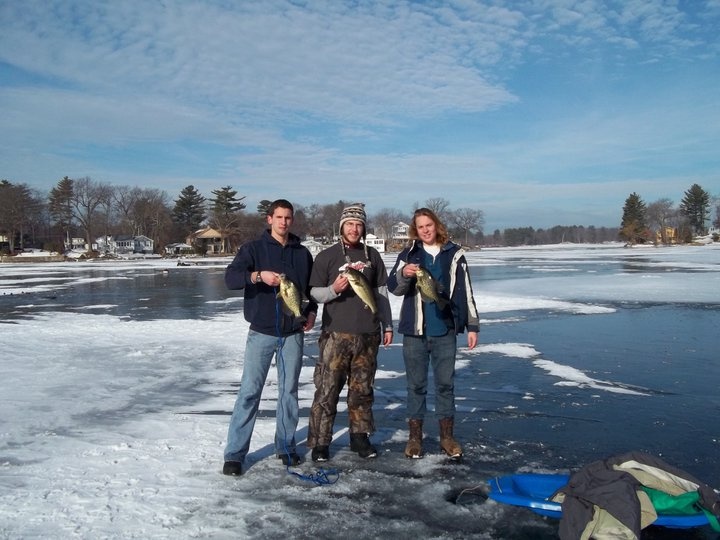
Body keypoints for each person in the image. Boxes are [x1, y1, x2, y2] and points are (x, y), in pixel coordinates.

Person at [222, 199, 317, 476]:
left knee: (288, 392)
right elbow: (230, 279)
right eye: (279, 217)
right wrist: (257, 276)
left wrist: (310, 312)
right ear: (269, 219)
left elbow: (308, 290)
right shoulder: (253, 249)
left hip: (292, 334)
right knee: (250, 392)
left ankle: (285, 447)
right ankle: (235, 454)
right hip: (261, 333)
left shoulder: (302, 254)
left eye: (288, 218)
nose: (283, 222)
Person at [387, 207, 479, 459]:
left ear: (436, 225)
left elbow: (467, 291)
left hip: (445, 330)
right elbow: (393, 287)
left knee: (445, 385)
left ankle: (447, 438)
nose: (425, 230)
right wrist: (404, 274)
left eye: (429, 225)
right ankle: (414, 439)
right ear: (414, 231)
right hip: (414, 332)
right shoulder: (408, 254)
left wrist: (472, 325)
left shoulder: (455, 253)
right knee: (415, 385)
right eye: (420, 227)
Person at [306, 203, 393, 462]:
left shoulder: (373, 256)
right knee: (327, 390)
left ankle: (360, 437)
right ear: (342, 226)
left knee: (362, 390)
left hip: (367, 334)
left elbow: (381, 294)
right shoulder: (327, 256)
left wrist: (386, 324)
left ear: (364, 227)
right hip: (335, 334)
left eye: (359, 225)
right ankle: (320, 442)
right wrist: (333, 289)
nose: (354, 229)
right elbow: (313, 293)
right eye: (350, 224)